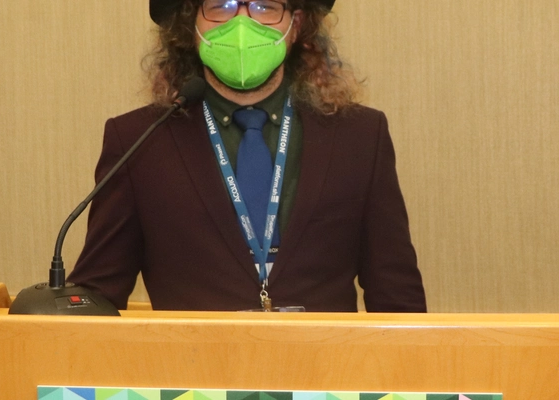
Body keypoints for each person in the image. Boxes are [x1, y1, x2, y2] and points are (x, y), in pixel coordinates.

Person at [67, 0, 426, 312]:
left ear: (295, 25)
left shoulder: (360, 135)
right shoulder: (138, 141)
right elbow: (98, 295)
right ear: (191, 26)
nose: (242, 23)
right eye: (220, 6)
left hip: (325, 378)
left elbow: (396, 294)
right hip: (193, 382)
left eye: (265, 6)